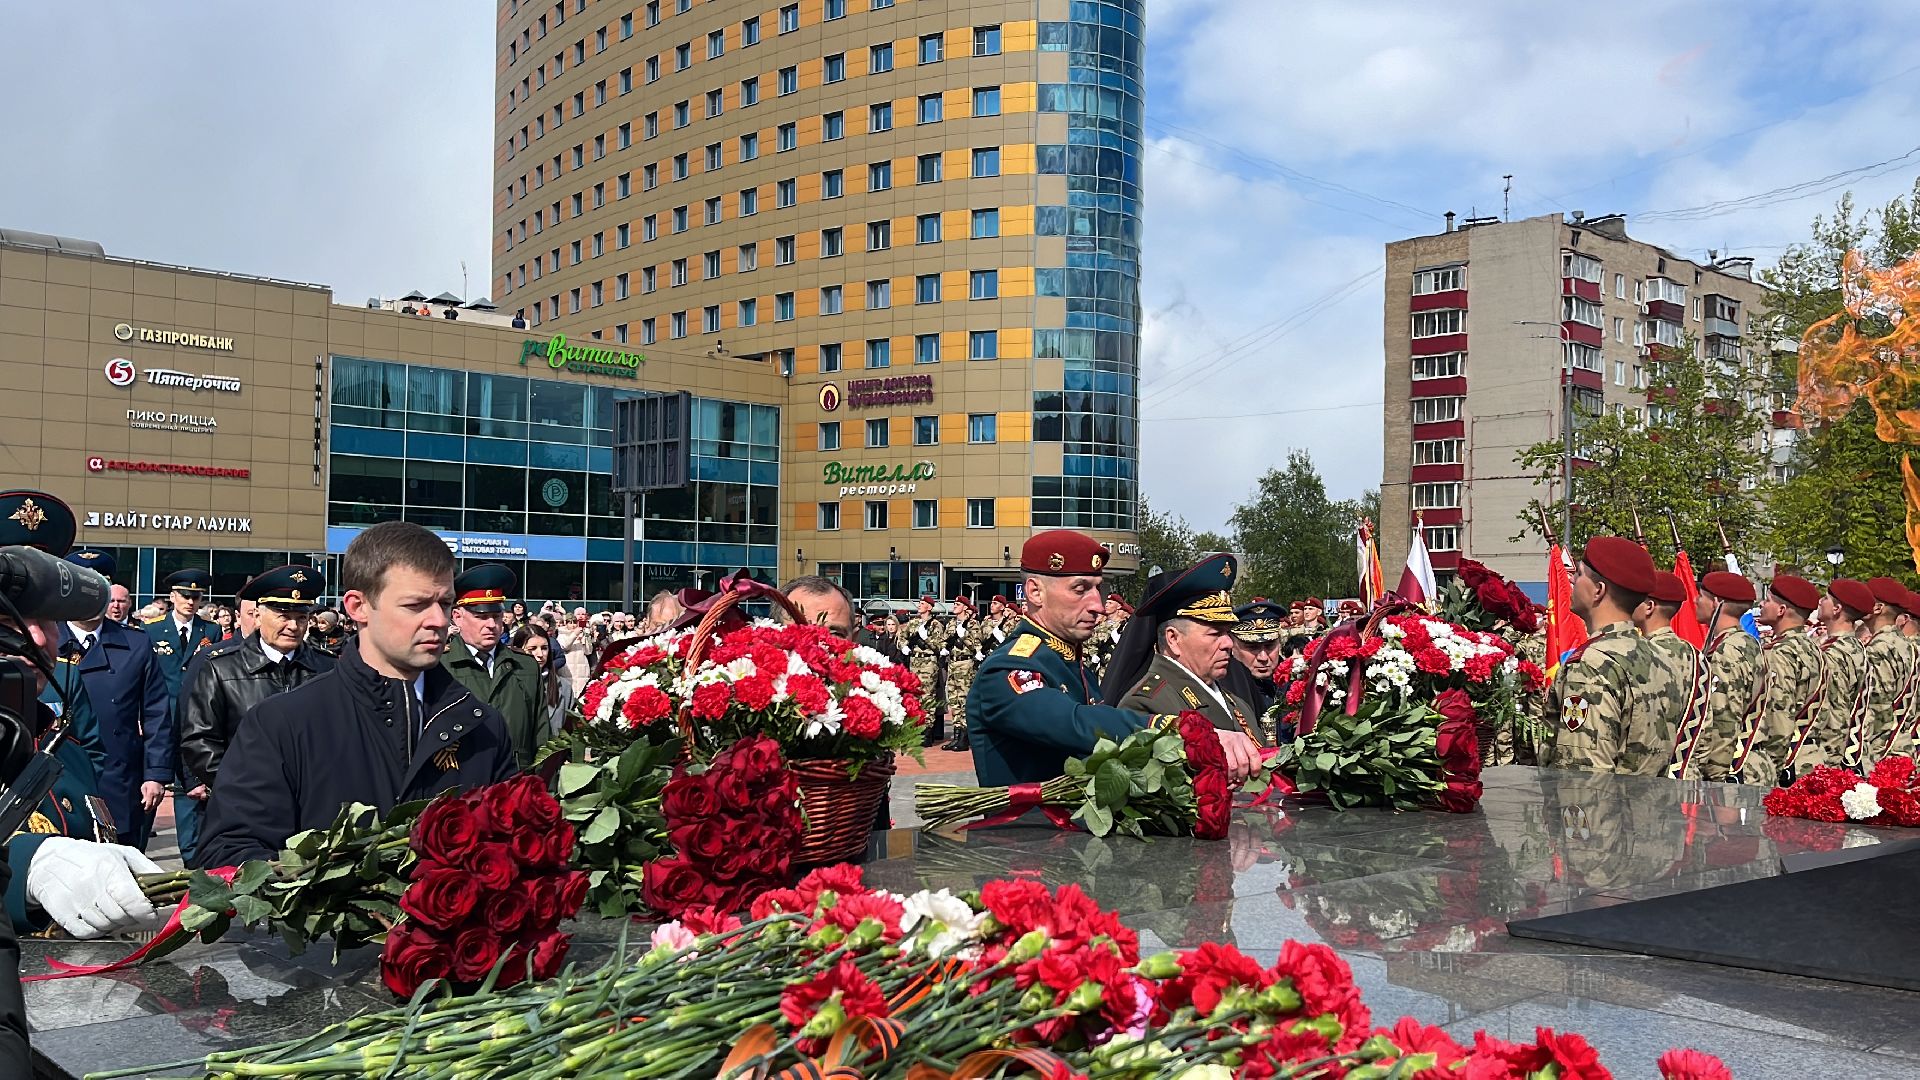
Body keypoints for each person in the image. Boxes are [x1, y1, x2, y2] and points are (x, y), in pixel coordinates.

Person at [196, 522, 518, 868]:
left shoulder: (481, 726)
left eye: (444, 603)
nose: (438, 620)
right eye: (416, 605)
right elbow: (230, 853)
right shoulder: (282, 723)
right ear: (358, 606)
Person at [0, 490, 166, 955]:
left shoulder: (55, 728)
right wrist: (25, 870)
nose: (35, 638)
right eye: (8, 618)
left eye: (48, 618)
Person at [967, 530, 1259, 787]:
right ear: (1035, 592)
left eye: (1099, 589)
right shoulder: (1010, 667)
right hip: (1021, 844)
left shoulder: (1069, 662)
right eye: (1080, 589)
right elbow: (1074, 723)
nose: (1098, 606)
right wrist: (1187, 731)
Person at [178, 565, 337, 793]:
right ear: (258, 616)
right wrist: (243, 787)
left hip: (316, 802)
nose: (293, 626)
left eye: (301, 617)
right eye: (283, 616)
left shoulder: (328, 667)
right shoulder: (221, 668)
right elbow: (199, 741)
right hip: (247, 802)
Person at [55, 550, 170, 851]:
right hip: (55, 778)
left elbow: (157, 713)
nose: (93, 598)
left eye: (101, 589)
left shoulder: (135, 643)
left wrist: (156, 774)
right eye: (85, 589)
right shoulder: (43, 639)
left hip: (119, 778)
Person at [1546, 537, 1687, 775]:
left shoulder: (1592, 665)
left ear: (1598, 590)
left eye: (1579, 574)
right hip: (1655, 808)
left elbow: (1585, 776)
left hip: (1606, 810)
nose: (1572, 580)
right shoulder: (1663, 658)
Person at [1111, 554, 1263, 745]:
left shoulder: (1236, 703)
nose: (1228, 643)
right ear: (1173, 639)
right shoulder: (1146, 705)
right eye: (1215, 633)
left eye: (1227, 632)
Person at [142, 569, 221, 865]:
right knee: (157, 781)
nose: (190, 601)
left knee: (192, 785)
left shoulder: (209, 631)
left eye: (196, 596)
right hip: (161, 718)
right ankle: (139, 848)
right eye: (185, 595)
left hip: (196, 717)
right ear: (172, 597)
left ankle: (192, 856)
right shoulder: (151, 630)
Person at [441, 563, 545, 769]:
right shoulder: (440, 667)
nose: (491, 624)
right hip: (461, 788)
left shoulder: (525, 666)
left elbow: (542, 736)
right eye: (481, 617)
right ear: (457, 617)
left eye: (496, 616)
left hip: (516, 785)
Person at [1738, 574, 1827, 787]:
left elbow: (1778, 714)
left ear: (1781, 610)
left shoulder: (1780, 653)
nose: (1762, 604)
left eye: (1767, 600)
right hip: (1811, 756)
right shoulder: (1815, 650)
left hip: (1788, 763)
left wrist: (1773, 766)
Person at [1676, 571, 1762, 782]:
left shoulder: (1725, 651)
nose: (1695, 600)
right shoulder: (1748, 643)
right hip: (1748, 766)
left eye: (1701, 595)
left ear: (1715, 603)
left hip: (1726, 774)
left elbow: (1724, 720)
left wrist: (1716, 779)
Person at [1632, 570, 1707, 776]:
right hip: (1688, 773)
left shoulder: (1643, 655)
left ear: (1649, 607)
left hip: (1650, 778)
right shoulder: (1696, 655)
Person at [1814, 579, 1873, 771]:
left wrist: (1830, 764)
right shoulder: (1854, 646)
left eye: (1826, 598)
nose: (1820, 602)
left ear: (1837, 608)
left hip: (1832, 754)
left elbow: (1836, 711)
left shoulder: (1835, 653)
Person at [1860, 577, 1920, 768]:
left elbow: (1877, 707)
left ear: (1878, 608)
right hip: (1903, 742)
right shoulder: (1907, 645)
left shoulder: (1879, 648)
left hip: (1882, 750)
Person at [1221, 598, 1288, 745]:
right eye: (1252, 648)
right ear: (1233, 646)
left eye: (1270, 646)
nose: (1263, 657)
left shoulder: (1295, 681)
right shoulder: (1221, 688)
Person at [509, 624, 571, 740]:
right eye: (532, 649)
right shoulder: (507, 685)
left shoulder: (564, 687)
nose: (540, 655)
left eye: (544, 648)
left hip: (552, 755)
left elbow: (571, 733)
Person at [944, 596, 981, 751]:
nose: (954, 606)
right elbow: (944, 640)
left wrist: (963, 635)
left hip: (965, 664)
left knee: (964, 700)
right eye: (954, 603)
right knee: (954, 700)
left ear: (965, 607)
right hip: (952, 663)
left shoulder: (972, 624)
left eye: (958, 604)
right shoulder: (951, 623)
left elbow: (976, 645)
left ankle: (965, 738)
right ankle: (957, 735)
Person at [558, 607, 597, 694]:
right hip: (568, 669)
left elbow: (588, 651)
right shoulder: (562, 634)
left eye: (575, 623)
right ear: (566, 623)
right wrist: (574, 634)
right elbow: (565, 646)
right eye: (570, 623)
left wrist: (586, 638)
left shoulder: (582, 632)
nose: (573, 625)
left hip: (582, 669)